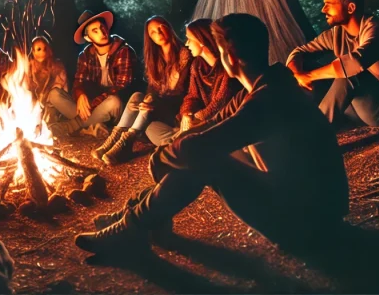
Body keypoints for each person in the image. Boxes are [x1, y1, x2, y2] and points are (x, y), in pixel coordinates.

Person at [75, 14, 349, 255]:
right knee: (197, 154)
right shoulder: (261, 86)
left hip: (309, 225)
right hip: (306, 211)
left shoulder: (270, 99)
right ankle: (136, 217)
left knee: (203, 160)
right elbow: (210, 125)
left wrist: (162, 156)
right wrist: (175, 147)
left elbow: (198, 148)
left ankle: (132, 226)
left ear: (229, 57)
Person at [286, 0, 379, 127]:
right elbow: (299, 52)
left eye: (329, 5)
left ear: (351, 8)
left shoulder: (376, 30)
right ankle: (302, 122)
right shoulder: (335, 34)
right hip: (356, 109)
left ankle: (316, 131)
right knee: (305, 64)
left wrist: (309, 76)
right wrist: (299, 74)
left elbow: (355, 62)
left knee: (350, 74)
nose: (323, 10)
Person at [93, 17, 193, 165]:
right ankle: (115, 139)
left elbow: (184, 94)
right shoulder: (154, 57)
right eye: (152, 32)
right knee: (138, 96)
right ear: (150, 38)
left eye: (160, 28)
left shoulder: (185, 55)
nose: (158, 33)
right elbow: (152, 89)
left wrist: (154, 103)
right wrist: (148, 100)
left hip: (174, 109)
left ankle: (125, 144)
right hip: (157, 106)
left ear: (168, 28)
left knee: (147, 104)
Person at [70, 10, 137, 146]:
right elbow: (79, 81)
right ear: (88, 38)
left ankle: (72, 126)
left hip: (115, 107)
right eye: (95, 31)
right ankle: (89, 124)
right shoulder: (85, 55)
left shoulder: (123, 50)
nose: (101, 33)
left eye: (102, 27)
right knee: (56, 95)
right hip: (94, 107)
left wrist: (95, 103)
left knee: (114, 101)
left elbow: (122, 87)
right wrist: (80, 93)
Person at [27, 36, 82, 137]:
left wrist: (44, 100)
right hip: (35, 105)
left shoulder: (56, 66)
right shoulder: (29, 67)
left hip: (53, 104)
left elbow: (59, 89)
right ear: (33, 52)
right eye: (38, 50)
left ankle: (72, 125)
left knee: (49, 115)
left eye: (45, 49)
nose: (42, 52)